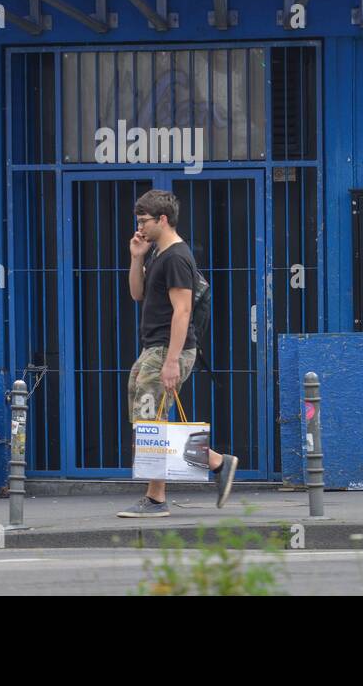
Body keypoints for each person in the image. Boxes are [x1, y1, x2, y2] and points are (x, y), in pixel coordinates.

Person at [118, 190, 238, 518]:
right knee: (146, 421)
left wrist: (172, 361)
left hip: (167, 351)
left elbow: (182, 312)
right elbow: (137, 293)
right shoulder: (158, 253)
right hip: (153, 349)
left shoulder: (177, 258)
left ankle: (156, 499)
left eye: (144, 221)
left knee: (152, 422)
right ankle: (216, 462)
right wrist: (137, 256)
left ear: (163, 220)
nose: (139, 227)